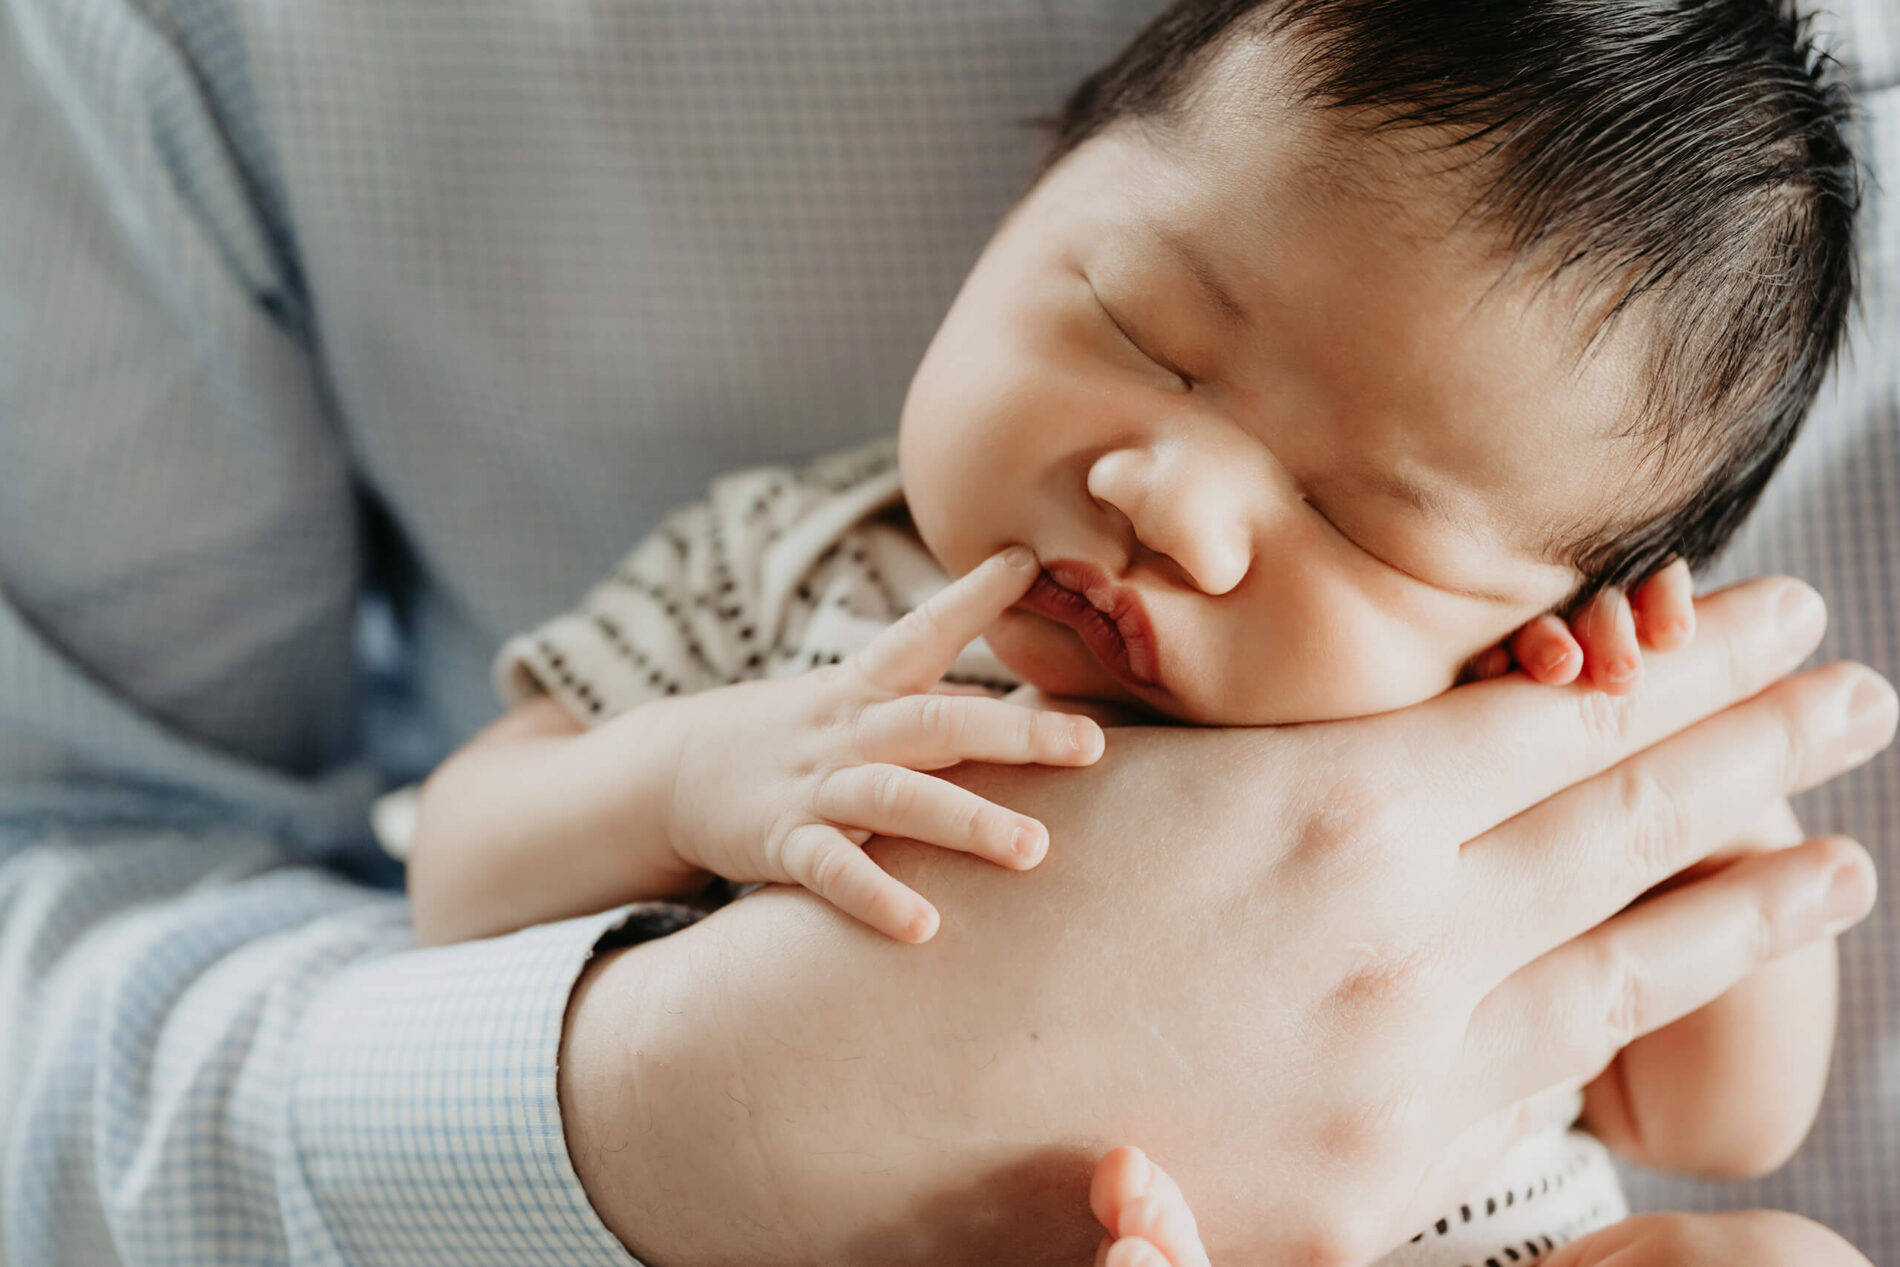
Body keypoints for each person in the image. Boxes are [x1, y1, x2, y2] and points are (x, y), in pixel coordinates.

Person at [1, 2, 1894, 1266]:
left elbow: (1717, 1118)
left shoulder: (1500, 748)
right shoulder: (806, 580)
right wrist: (702, 775)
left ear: (1537, 614)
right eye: (1148, 333)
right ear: (1026, 202)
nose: (1183, 499)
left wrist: (1682, 811)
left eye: (1360, 523)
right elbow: (461, 874)